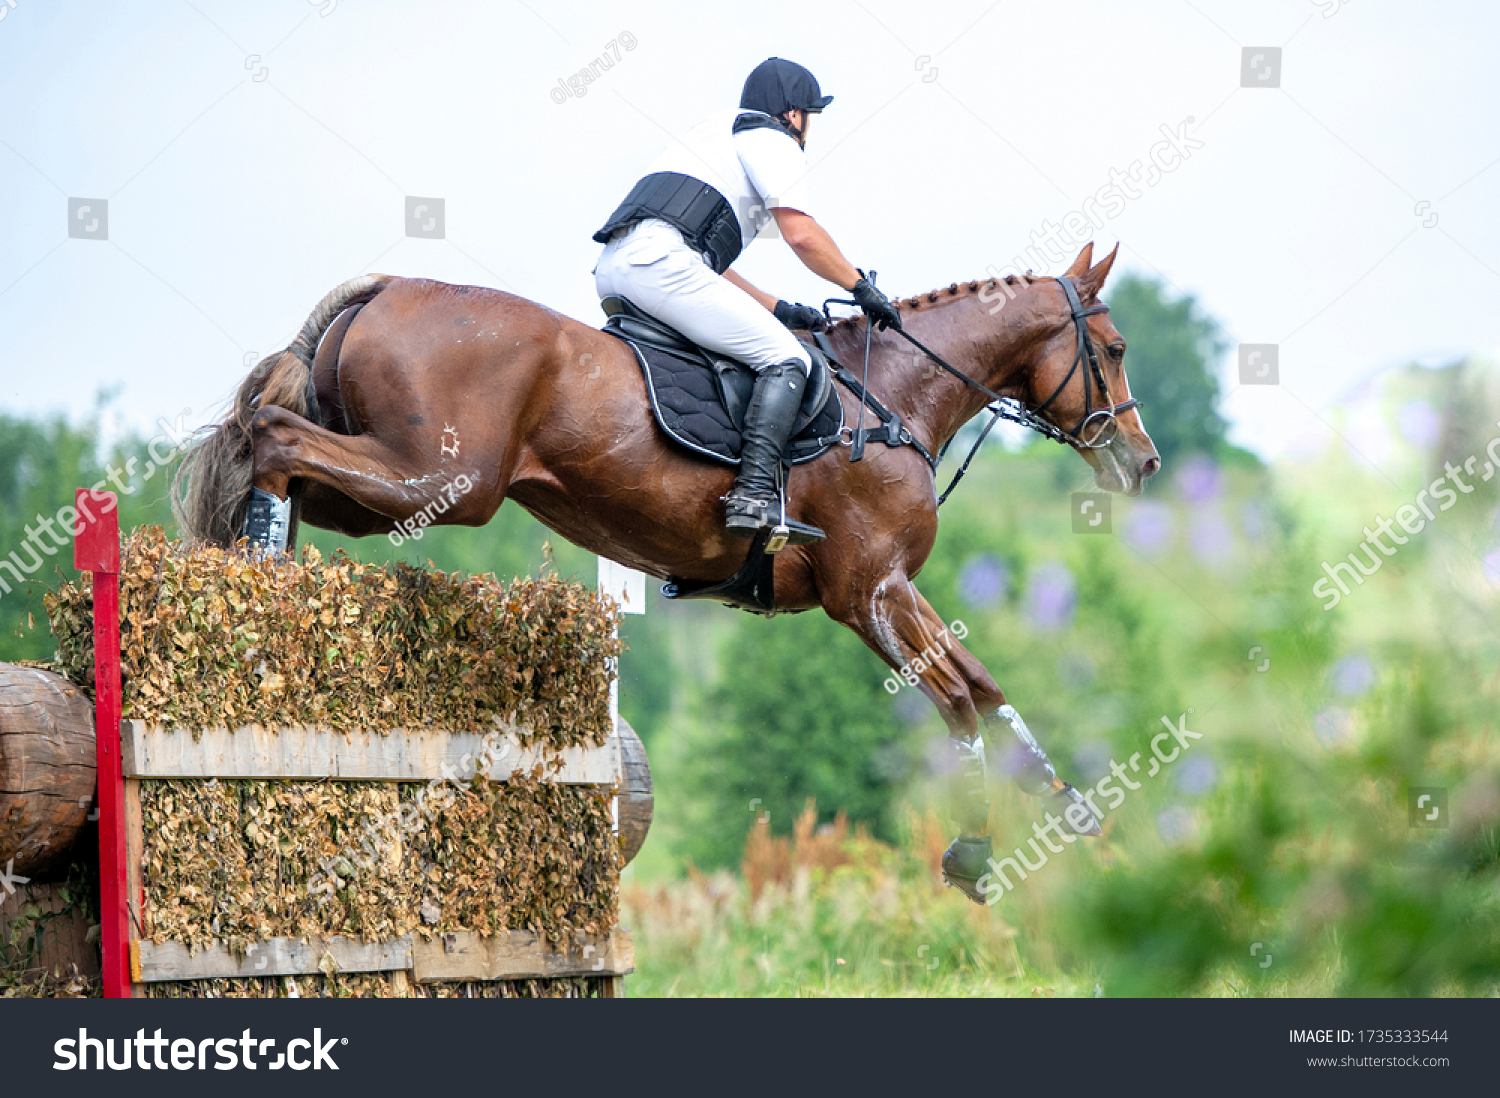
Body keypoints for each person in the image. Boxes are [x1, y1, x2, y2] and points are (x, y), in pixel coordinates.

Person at [592, 57, 901, 540]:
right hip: (659, 265)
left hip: (617, 267)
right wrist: (859, 286)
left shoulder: (711, 134)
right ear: (794, 115)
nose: (808, 130)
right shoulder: (774, 140)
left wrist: (777, 307)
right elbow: (801, 235)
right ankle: (753, 494)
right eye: (810, 119)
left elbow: (707, 266)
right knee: (786, 358)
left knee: (751, 342)